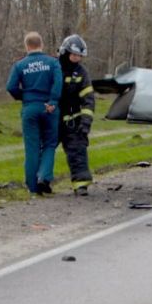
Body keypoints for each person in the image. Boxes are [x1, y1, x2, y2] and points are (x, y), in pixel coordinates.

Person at [6, 31, 62, 196]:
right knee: (50, 144)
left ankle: (32, 187)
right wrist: (53, 101)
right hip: (49, 108)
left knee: (31, 148)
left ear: (26, 46)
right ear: (41, 44)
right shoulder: (53, 63)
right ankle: (44, 177)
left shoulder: (20, 65)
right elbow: (58, 83)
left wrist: (25, 97)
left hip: (30, 108)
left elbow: (11, 87)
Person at [57, 34, 96, 196]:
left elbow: (89, 100)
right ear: (65, 52)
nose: (76, 59)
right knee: (43, 150)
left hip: (73, 120)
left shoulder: (81, 73)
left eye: (79, 56)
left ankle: (81, 185)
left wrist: (85, 123)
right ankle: (39, 182)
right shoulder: (54, 67)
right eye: (74, 55)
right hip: (52, 118)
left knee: (77, 150)